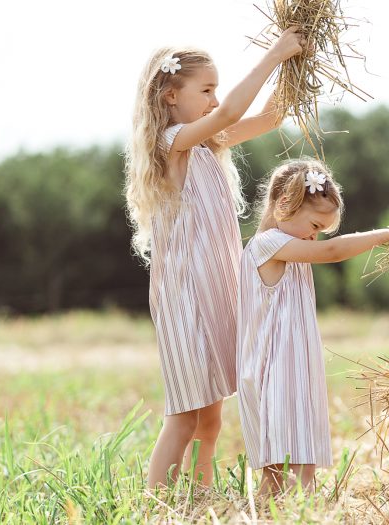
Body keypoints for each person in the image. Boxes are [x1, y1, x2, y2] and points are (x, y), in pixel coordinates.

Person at [124, 27, 308, 488]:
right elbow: (230, 111)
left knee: (211, 420)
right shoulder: (171, 143)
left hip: (215, 292)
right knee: (184, 417)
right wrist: (274, 52)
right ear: (169, 96)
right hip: (184, 299)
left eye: (215, 89)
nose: (214, 99)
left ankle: (198, 494)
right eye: (205, 89)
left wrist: (296, 67)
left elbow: (270, 116)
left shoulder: (208, 145)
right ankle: (159, 505)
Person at [238, 158, 389, 497]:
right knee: (289, 466)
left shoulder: (288, 249)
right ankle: (292, 516)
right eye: (314, 225)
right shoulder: (268, 244)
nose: (315, 235)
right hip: (275, 373)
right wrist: (386, 235)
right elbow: (334, 251)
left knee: (292, 465)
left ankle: (282, 516)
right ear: (282, 205)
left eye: (321, 231)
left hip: (289, 369)